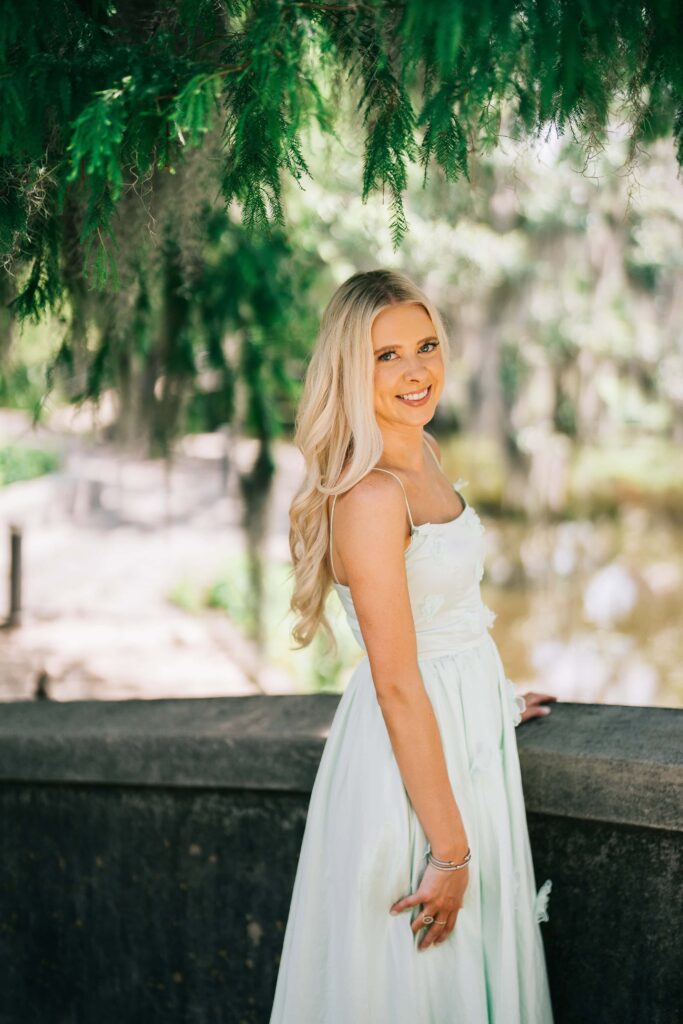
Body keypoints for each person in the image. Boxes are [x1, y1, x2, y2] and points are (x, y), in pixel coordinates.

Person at [269, 269, 557, 1023]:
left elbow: (446, 620)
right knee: (416, 985)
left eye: (425, 346)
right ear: (348, 369)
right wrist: (450, 853)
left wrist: (492, 701)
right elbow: (397, 681)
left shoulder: (422, 452)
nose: (415, 370)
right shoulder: (369, 496)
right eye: (386, 355)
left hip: (461, 733)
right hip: (408, 768)